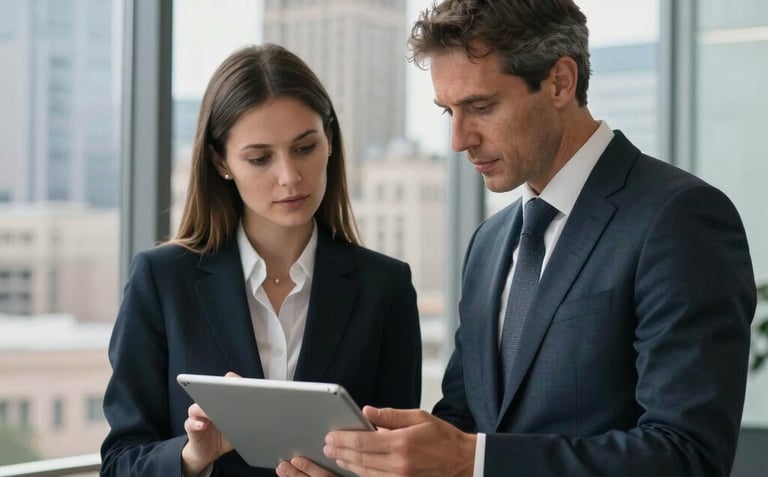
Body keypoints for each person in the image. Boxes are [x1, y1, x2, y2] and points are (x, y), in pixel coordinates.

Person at [276, 1, 757, 477]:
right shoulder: (488, 243)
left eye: (480, 107)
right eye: (448, 112)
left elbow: (687, 454)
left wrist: (471, 460)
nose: (459, 140)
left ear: (559, 82)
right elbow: (465, 423)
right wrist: (375, 465)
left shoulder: (678, 219)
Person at [99, 43, 422, 477]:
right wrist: (194, 455)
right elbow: (120, 463)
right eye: (260, 158)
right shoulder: (161, 281)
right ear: (221, 162)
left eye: (305, 148)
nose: (289, 176)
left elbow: (401, 459)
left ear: (329, 142)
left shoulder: (386, 287)